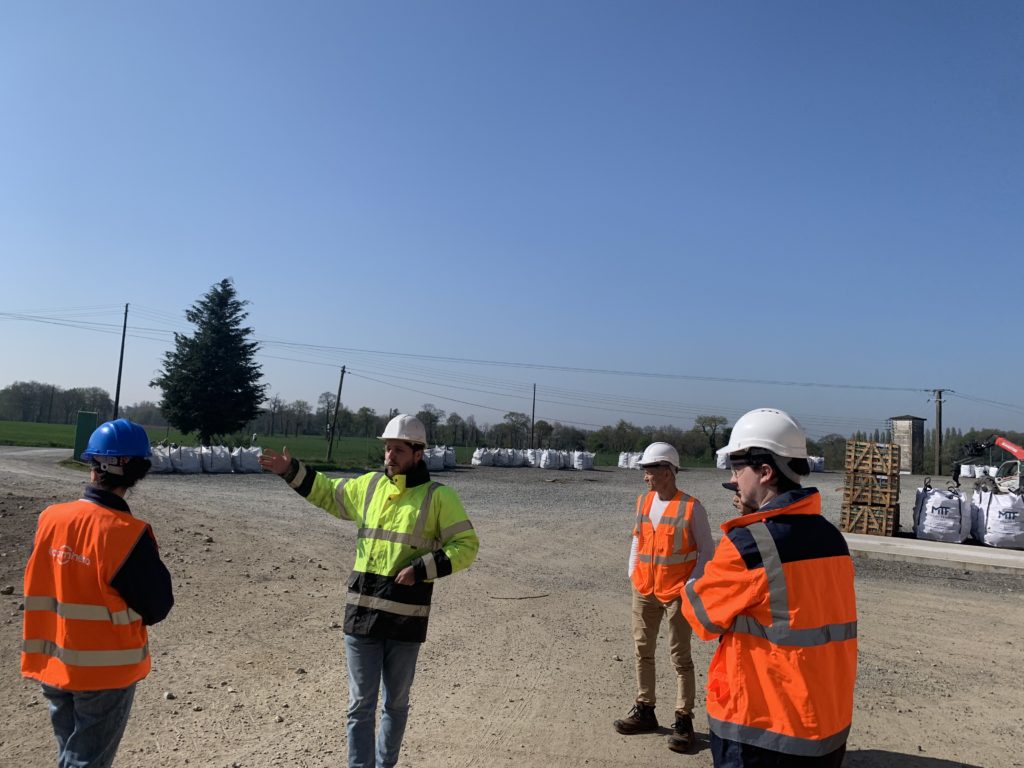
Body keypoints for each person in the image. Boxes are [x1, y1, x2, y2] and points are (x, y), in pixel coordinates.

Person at [259, 413, 479, 768]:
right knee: (360, 704)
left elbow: (466, 545)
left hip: (405, 620)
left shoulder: (439, 497)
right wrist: (291, 471)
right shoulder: (370, 486)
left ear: (418, 453)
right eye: (388, 448)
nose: (390, 455)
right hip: (362, 615)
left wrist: (422, 569)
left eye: (398, 450)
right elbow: (328, 492)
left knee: (396, 704)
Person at [680, 408, 857, 768]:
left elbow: (701, 617)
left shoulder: (750, 544)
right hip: (824, 725)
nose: (733, 480)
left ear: (765, 471)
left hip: (762, 731)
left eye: (736, 469)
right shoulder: (831, 536)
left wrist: (697, 580)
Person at [21, 418, 174, 768]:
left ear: (92, 464)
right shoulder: (126, 534)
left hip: (54, 662)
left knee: (71, 753)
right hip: (105, 674)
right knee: (85, 761)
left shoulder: (50, 518)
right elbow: (157, 605)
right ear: (138, 473)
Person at [613, 441, 714, 753]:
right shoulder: (643, 501)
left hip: (676, 593)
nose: (645, 476)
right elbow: (638, 539)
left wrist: (690, 586)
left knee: (680, 656)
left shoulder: (692, 508)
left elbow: (706, 552)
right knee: (642, 650)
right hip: (644, 588)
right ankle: (645, 709)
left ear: (668, 472)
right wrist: (632, 572)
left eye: (650, 470)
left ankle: (684, 719)